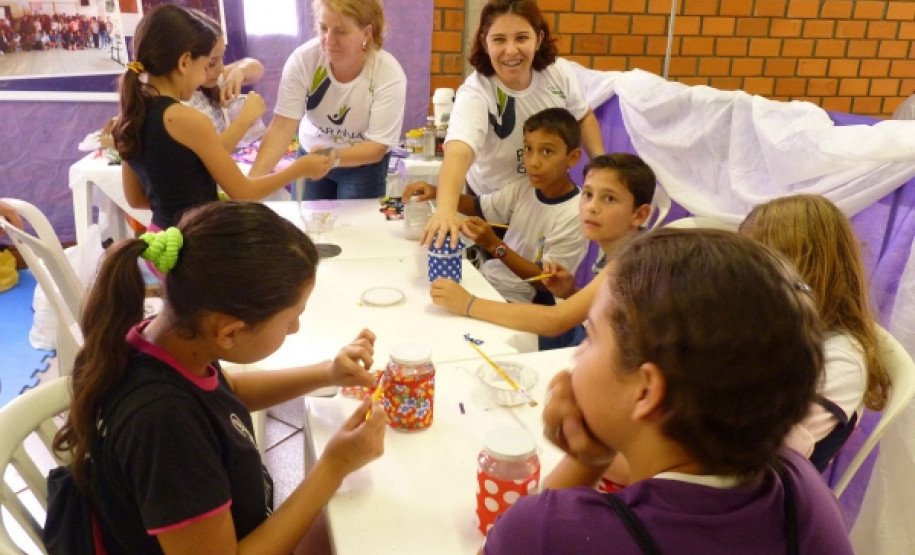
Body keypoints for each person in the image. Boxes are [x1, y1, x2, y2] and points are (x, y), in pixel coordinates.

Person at [483, 229, 853, 554]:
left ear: (645, 392)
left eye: (591, 337)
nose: (578, 355)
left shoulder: (550, 533)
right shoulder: (801, 484)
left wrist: (583, 463)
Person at [51, 201, 386, 554]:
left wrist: (326, 373)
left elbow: (229, 392)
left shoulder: (167, 342)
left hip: (232, 527)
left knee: (350, 523)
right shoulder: (164, 425)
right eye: (291, 319)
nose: (295, 328)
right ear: (229, 332)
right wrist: (333, 467)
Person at [112, 4, 335, 232]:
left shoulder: (130, 116)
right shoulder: (186, 119)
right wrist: (301, 168)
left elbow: (136, 199)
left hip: (159, 240)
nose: (207, 76)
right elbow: (243, 193)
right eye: (206, 64)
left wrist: (190, 203)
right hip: (199, 242)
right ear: (184, 62)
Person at [404, 0, 604, 249]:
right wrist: (445, 209)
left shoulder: (558, 73)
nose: (511, 51)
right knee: (498, 272)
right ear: (485, 42)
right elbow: (458, 151)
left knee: (542, 274)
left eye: (521, 38)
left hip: (543, 200)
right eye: (499, 39)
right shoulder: (476, 92)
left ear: (538, 39)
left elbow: (582, 115)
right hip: (493, 204)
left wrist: (601, 165)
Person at [430, 153, 654, 346]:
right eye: (587, 194)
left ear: (639, 215)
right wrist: (570, 292)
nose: (592, 207)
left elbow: (554, 320)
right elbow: (607, 308)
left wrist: (468, 304)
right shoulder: (623, 247)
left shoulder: (631, 261)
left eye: (609, 198)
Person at [740, 194, 889, 471]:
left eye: (753, 266)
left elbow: (760, 451)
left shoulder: (841, 360)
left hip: (764, 495)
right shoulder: (766, 331)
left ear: (803, 271)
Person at [413, 107, 587, 304]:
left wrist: (494, 245)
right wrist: (438, 193)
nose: (533, 162)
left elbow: (545, 281)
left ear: (572, 157)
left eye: (547, 151)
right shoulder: (525, 188)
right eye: (528, 149)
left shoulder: (576, 213)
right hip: (491, 281)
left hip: (524, 302)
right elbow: (479, 207)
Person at [249, 0, 406, 200]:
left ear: (366, 33)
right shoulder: (303, 60)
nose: (329, 41)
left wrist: (334, 156)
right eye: (323, 28)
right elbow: (282, 127)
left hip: (363, 165)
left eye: (341, 31)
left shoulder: (388, 74)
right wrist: (250, 186)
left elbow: (377, 147)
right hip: (311, 155)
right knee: (305, 226)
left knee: (356, 229)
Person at [185, 32, 267, 152]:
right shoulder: (179, 108)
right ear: (185, 62)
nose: (221, 68)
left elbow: (256, 67)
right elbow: (213, 155)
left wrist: (239, 71)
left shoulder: (207, 81)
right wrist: (245, 118)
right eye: (212, 62)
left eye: (221, 57)